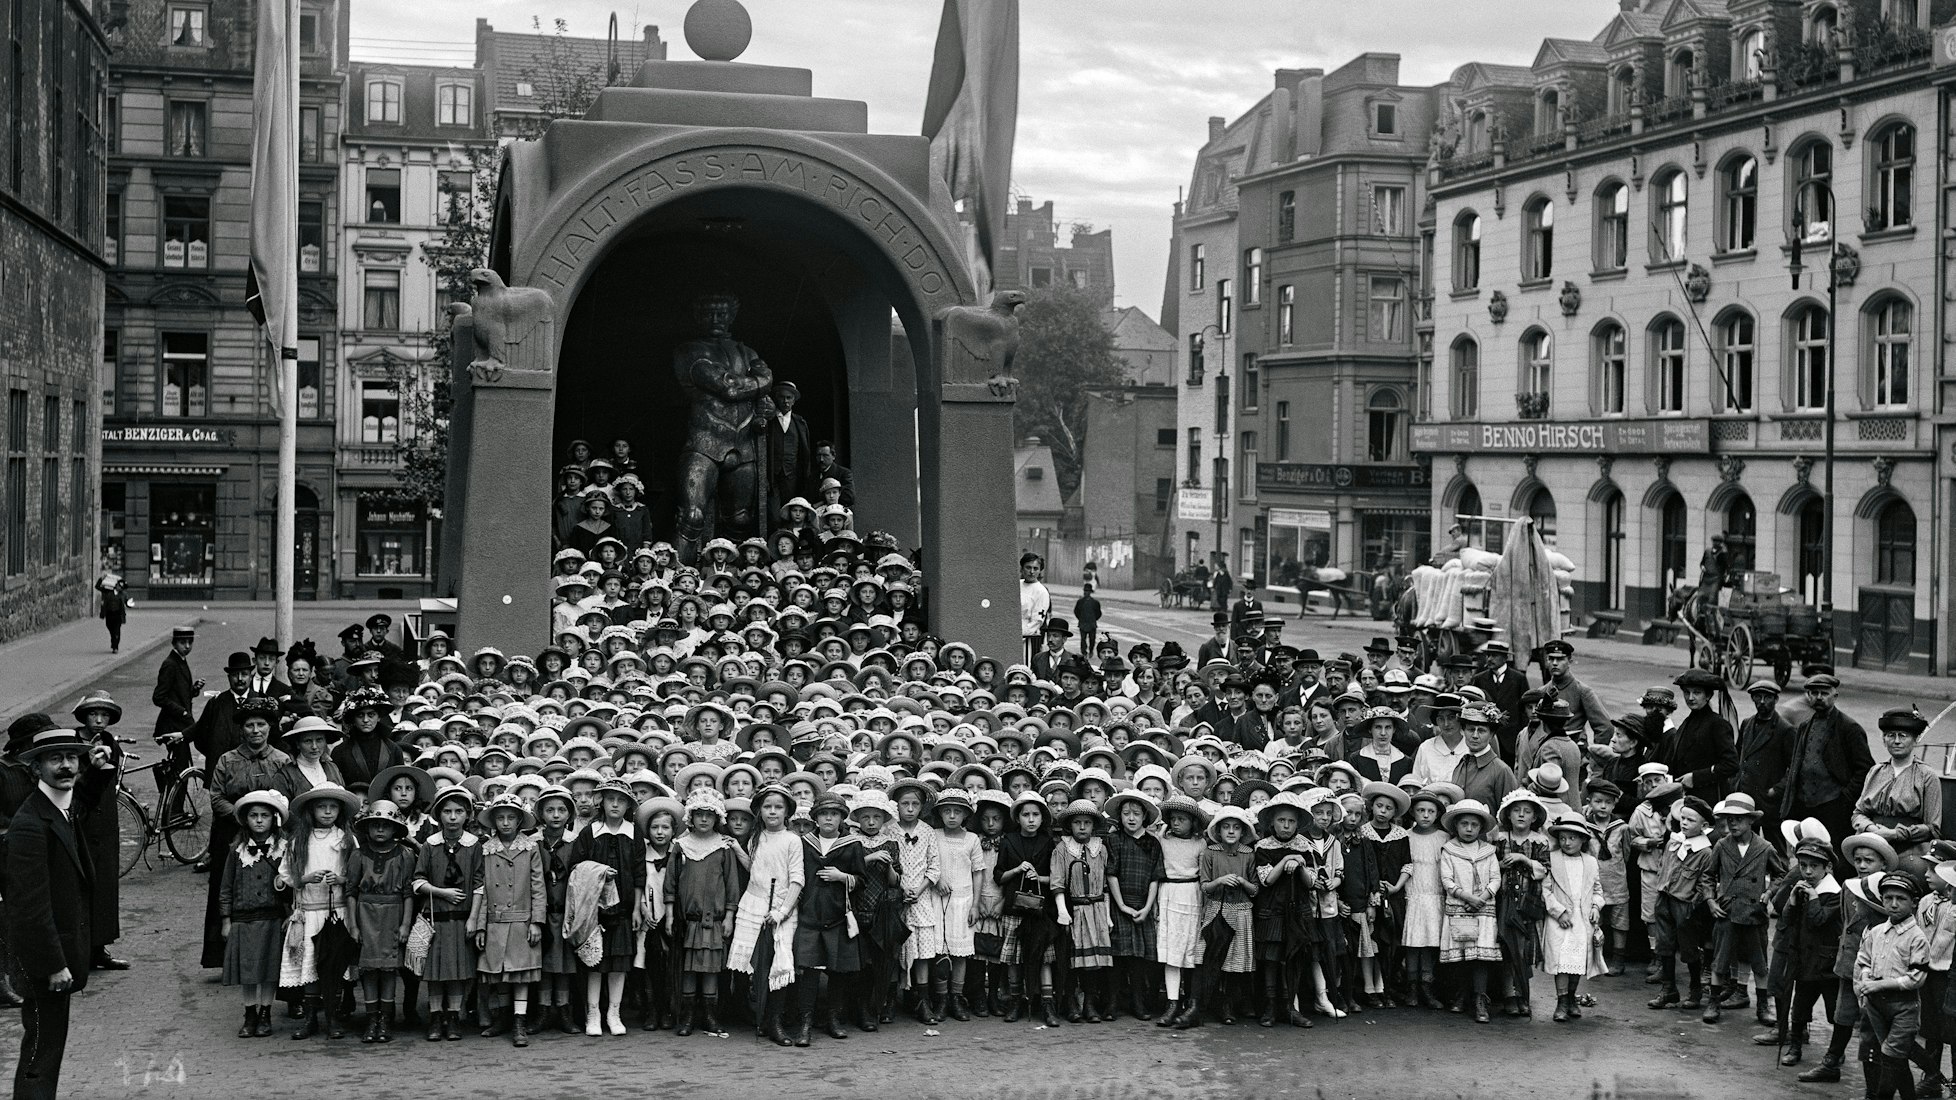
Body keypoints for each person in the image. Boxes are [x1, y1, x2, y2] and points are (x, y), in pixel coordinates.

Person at [4, 725, 99, 1100]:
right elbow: (30, 907)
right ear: (36, 768)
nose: (66, 766)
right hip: (44, 962)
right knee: (41, 1052)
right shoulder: (31, 825)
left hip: (58, 954)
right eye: (55, 759)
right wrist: (54, 965)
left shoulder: (62, 810)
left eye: (72, 757)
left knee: (47, 1048)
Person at [1854, 874, 1930, 1100]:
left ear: (1914, 903)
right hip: (1876, 1006)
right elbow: (1864, 959)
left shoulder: (1917, 938)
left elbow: (1916, 978)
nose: (1894, 904)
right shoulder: (1876, 932)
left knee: (1891, 1057)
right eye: (1888, 898)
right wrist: (1866, 979)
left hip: (1903, 1007)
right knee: (1894, 1058)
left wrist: (1879, 985)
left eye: (1901, 899)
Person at [1781, 673, 1874, 846]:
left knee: (1833, 850)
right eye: (1814, 693)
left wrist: (1845, 798)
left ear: (1835, 696)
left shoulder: (1849, 728)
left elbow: (1866, 769)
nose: (1819, 697)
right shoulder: (1804, 726)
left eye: (1824, 693)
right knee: (1806, 849)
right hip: (1805, 804)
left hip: (1833, 808)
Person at [1658, 669, 1740, 801]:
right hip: (1685, 796)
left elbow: (1731, 765)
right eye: (1687, 692)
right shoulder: (1686, 723)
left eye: (1697, 692)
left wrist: (1696, 778)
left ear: (1708, 696)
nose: (1690, 698)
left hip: (1708, 797)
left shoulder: (1717, 724)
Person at [150, 625, 202, 796]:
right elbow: (159, 697)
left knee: (180, 769)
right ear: (174, 643)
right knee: (180, 771)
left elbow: (179, 693)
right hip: (172, 725)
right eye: (182, 642)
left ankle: (174, 806)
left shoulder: (181, 660)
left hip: (179, 724)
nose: (187, 646)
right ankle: (174, 808)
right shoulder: (170, 664)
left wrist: (194, 690)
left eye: (190, 642)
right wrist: (182, 712)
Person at [1019, 552, 1050, 665]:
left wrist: (1018, 634)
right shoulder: (1017, 585)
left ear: (1040, 570)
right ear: (1022, 568)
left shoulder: (1041, 592)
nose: (1032, 572)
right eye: (1028, 567)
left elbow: (1037, 621)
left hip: (1026, 637)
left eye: (1035, 568)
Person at [807, 441, 855, 507]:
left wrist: (822, 502)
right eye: (819, 455)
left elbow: (849, 497)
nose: (821, 459)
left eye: (825, 455)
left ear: (833, 456)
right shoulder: (813, 475)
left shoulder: (844, 473)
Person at [96, 563, 128, 653]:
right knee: (110, 628)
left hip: (118, 614)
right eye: (118, 585)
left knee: (117, 630)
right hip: (109, 613)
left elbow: (126, 602)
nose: (119, 587)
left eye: (120, 587)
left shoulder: (123, 595)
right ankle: (113, 641)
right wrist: (102, 579)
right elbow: (97, 586)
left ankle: (115, 647)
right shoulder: (108, 592)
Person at [1073, 583, 1103, 660]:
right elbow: (1076, 611)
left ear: (1090, 592)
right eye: (1085, 591)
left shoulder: (1095, 602)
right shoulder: (1080, 602)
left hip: (1092, 624)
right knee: (1083, 639)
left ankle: (1091, 650)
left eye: (1087, 591)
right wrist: (1081, 618)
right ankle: (1084, 652)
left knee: (1092, 639)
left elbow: (1098, 613)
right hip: (1083, 623)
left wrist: (1093, 619)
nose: (1086, 593)